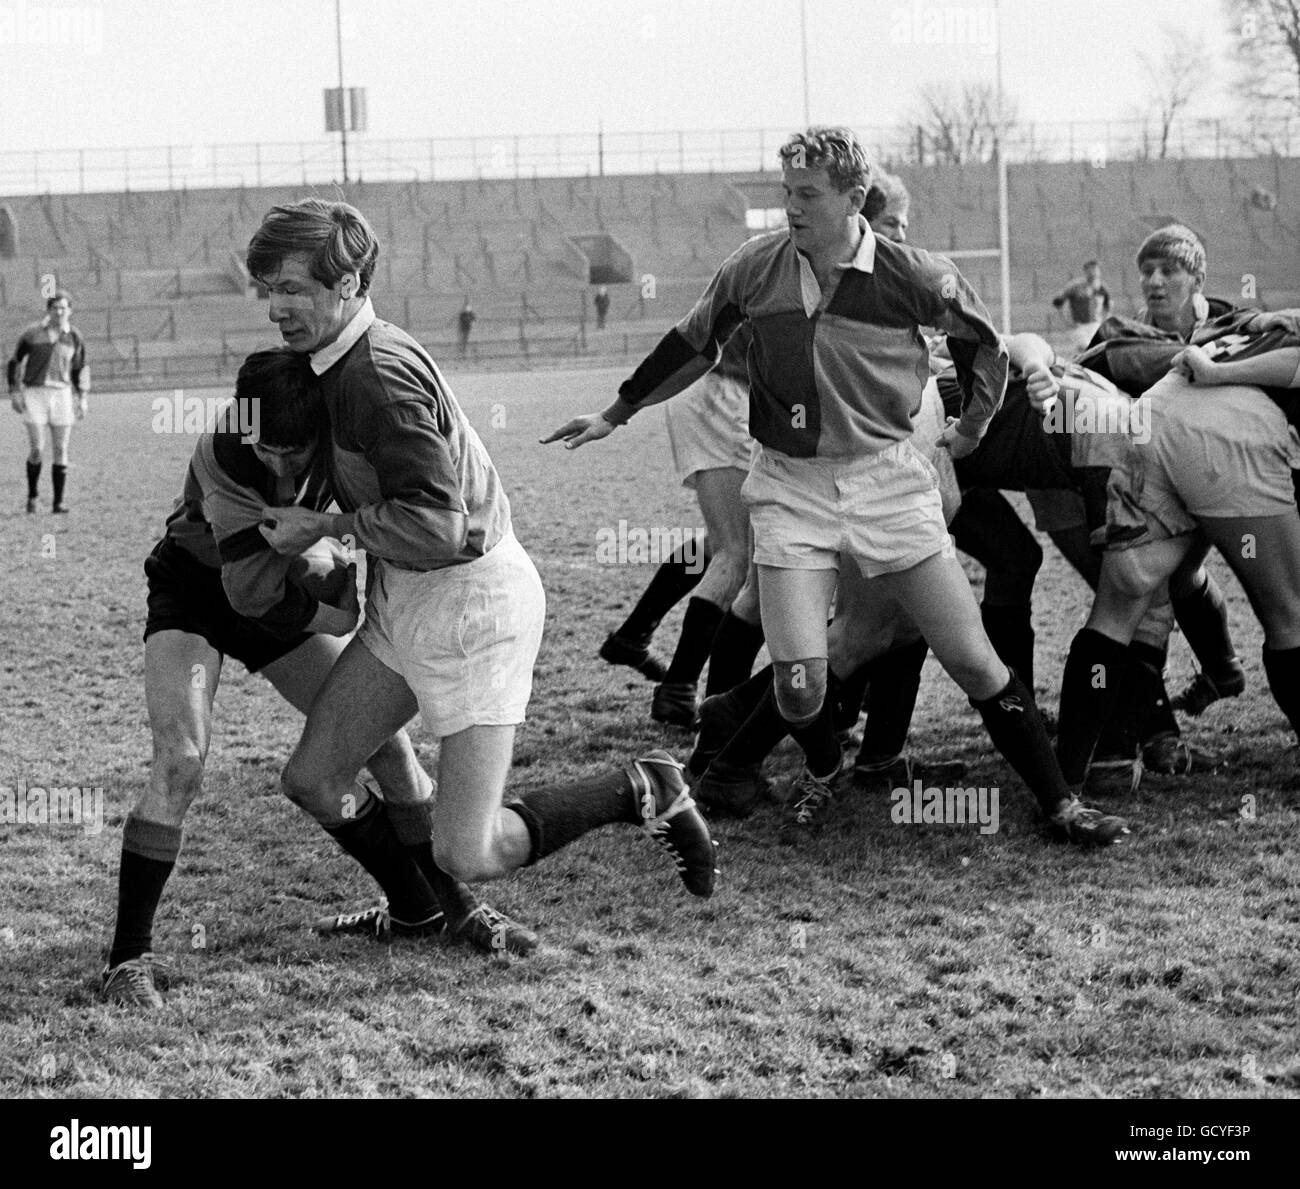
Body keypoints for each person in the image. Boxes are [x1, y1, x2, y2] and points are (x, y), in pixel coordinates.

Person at [546, 127, 1126, 847]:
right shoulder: (754, 270)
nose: (791, 207)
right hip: (790, 486)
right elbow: (696, 341)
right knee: (798, 682)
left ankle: (1060, 803)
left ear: (855, 198)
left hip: (889, 481)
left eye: (807, 195)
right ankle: (824, 766)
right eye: (787, 192)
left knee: (974, 659)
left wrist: (974, 427)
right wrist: (617, 410)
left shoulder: (916, 276)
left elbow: (986, 347)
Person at [244, 199, 716, 952]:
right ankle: (420, 911)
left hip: (472, 606)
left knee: (470, 847)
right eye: (269, 287)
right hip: (409, 595)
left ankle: (638, 787)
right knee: (313, 776)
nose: (278, 307)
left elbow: (438, 527)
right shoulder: (334, 360)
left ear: (352, 281)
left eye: (296, 287)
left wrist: (328, 528)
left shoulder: (377, 376)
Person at [101, 350, 529, 1008]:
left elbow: (410, 518)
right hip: (199, 593)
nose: (276, 466)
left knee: (384, 743)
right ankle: (128, 958)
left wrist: (337, 564)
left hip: (283, 584)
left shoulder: (344, 436)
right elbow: (246, 593)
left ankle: (447, 907)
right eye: (263, 449)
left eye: (290, 452)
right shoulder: (226, 448)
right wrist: (336, 607)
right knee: (181, 759)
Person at [8, 289, 88, 514]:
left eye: (63, 308)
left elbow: (80, 368)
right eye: (55, 308)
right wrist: (14, 391)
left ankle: (58, 502)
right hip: (35, 394)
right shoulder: (32, 334)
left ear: (70, 310)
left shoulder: (74, 336)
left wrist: (82, 397)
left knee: (61, 448)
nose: (59, 312)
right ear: (48, 310)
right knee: (37, 449)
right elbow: (14, 362)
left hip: (61, 394)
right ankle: (33, 496)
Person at [1052, 259, 1111, 358]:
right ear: (1086, 271)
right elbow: (1058, 302)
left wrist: (1104, 319)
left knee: (1096, 350)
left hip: (1095, 325)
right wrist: (1067, 322)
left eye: (1096, 270)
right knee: (1086, 348)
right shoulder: (1075, 286)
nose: (1094, 273)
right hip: (1079, 326)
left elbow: (1108, 305)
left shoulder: (1101, 288)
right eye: (1091, 270)